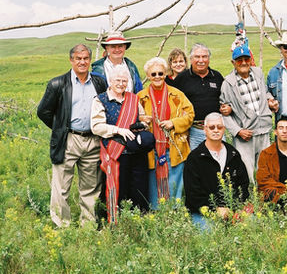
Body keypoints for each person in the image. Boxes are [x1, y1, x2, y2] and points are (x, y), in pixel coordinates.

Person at [37, 44, 108, 227]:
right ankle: (62, 225)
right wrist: (60, 129)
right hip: (68, 139)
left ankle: (88, 225)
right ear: (71, 60)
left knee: (91, 187)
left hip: (93, 139)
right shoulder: (57, 84)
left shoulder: (99, 83)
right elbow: (43, 111)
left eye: (85, 58)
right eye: (78, 58)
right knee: (61, 186)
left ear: (90, 60)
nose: (82, 62)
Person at [91, 67, 151, 222]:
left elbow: (142, 117)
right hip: (115, 152)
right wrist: (118, 130)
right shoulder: (100, 100)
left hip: (136, 151)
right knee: (118, 189)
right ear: (110, 81)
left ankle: (137, 222)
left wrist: (144, 123)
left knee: (138, 189)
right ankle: (112, 222)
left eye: (124, 81)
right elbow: (96, 126)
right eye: (117, 80)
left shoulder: (133, 99)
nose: (121, 84)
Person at [138, 57, 194, 207]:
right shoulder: (141, 97)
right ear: (148, 76)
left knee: (174, 180)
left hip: (173, 145)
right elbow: (133, 118)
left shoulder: (177, 95)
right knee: (152, 181)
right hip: (150, 148)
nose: (157, 77)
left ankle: (173, 209)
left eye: (160, 73)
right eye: (153, 74)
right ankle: (156, 211)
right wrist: (141, 118)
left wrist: (173, 123)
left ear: (165, 74)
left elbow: (190, 115)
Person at [220, 44, 277, 183]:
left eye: (247, 59)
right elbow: (224, 113)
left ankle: (265, 197)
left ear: (251, 60)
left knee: (265, 166)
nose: (244, 63)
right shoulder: (228, 83)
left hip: (263, 129)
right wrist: (238, 131)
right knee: (246, 169)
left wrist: (270, 100)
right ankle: (249, 200)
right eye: (239, 60)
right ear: (233, 63)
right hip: (245, 134)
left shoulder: (258, 73)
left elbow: (265, 92)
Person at [183, 112, 249, 229]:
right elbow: (192, 192)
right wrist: (215, 209)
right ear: (205, 129)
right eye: (212, 127)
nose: (216, 130)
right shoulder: (195, 158)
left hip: (232, 209)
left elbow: (243, 184)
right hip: (203, 211)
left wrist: (232, 208)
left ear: (224, 129)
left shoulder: (233, 154)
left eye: (219, 127)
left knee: (251, 227)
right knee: (210, 235)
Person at [173, 43, 226, 150]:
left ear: (209, 59)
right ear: (191, 59)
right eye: (197, 57)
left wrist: (227, 107)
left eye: (204, 56)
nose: (201, 60)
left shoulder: (217, 76)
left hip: (216, 130)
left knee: (220, 161)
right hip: (194, 131)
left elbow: (226, 98)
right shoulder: (182, 78)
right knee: (197, 163)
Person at [256, 118, 287, 203]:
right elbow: (263, 179)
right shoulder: (266, 153)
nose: (284, 131)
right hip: (277, 193)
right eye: (281, 128)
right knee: (270, 192)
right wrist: (286, 191)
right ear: (275, 132)